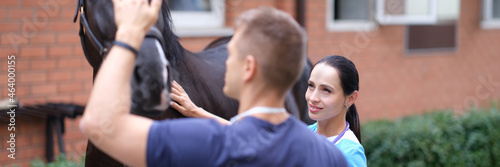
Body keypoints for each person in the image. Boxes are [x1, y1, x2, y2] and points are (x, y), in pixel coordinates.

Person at [79, 0, 348, 166]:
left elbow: (99, 125)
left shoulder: (210, 143)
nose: (224, 62)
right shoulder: (330, 156)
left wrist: (128, 36)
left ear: (248, 68)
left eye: (231, 55)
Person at [170, 56, 366, 167]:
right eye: (311, 85)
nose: (313, 97)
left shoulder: (349, 153)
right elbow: (249, 133)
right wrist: (196, 111)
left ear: (351, 98)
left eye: (326, 90)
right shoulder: (309, 132)